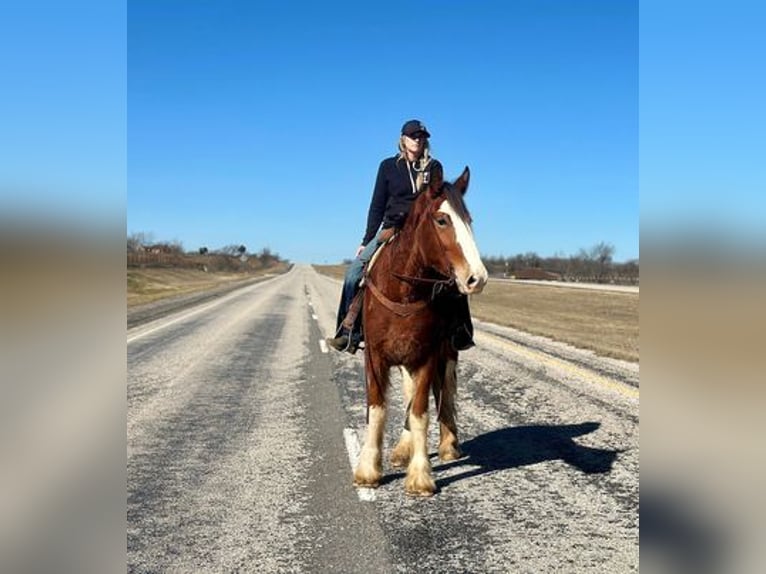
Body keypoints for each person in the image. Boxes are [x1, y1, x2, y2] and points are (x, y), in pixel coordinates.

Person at [327, 119, 475, 354]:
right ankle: (348, 331)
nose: (418, 140)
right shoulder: (387, 166)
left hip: (422, 233)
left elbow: (436, 202)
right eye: (413, 136)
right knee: (353, 273)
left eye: (422, 136)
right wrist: (366, 240)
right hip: (392, 229)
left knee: (454, 274)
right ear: (403, 139)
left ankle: (461, 329)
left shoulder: (433, 167)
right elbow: (376, 206)